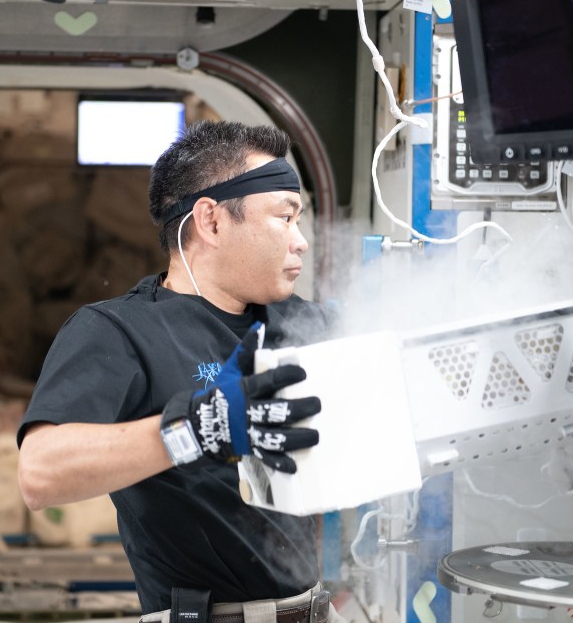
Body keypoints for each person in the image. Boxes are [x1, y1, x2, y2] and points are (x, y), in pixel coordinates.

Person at [17, 121, 336, 623]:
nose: (300, 242)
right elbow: (40, 474)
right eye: (284, 217)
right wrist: (195, 428)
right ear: (210, 221)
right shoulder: (118, 331)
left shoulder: (306, 324)